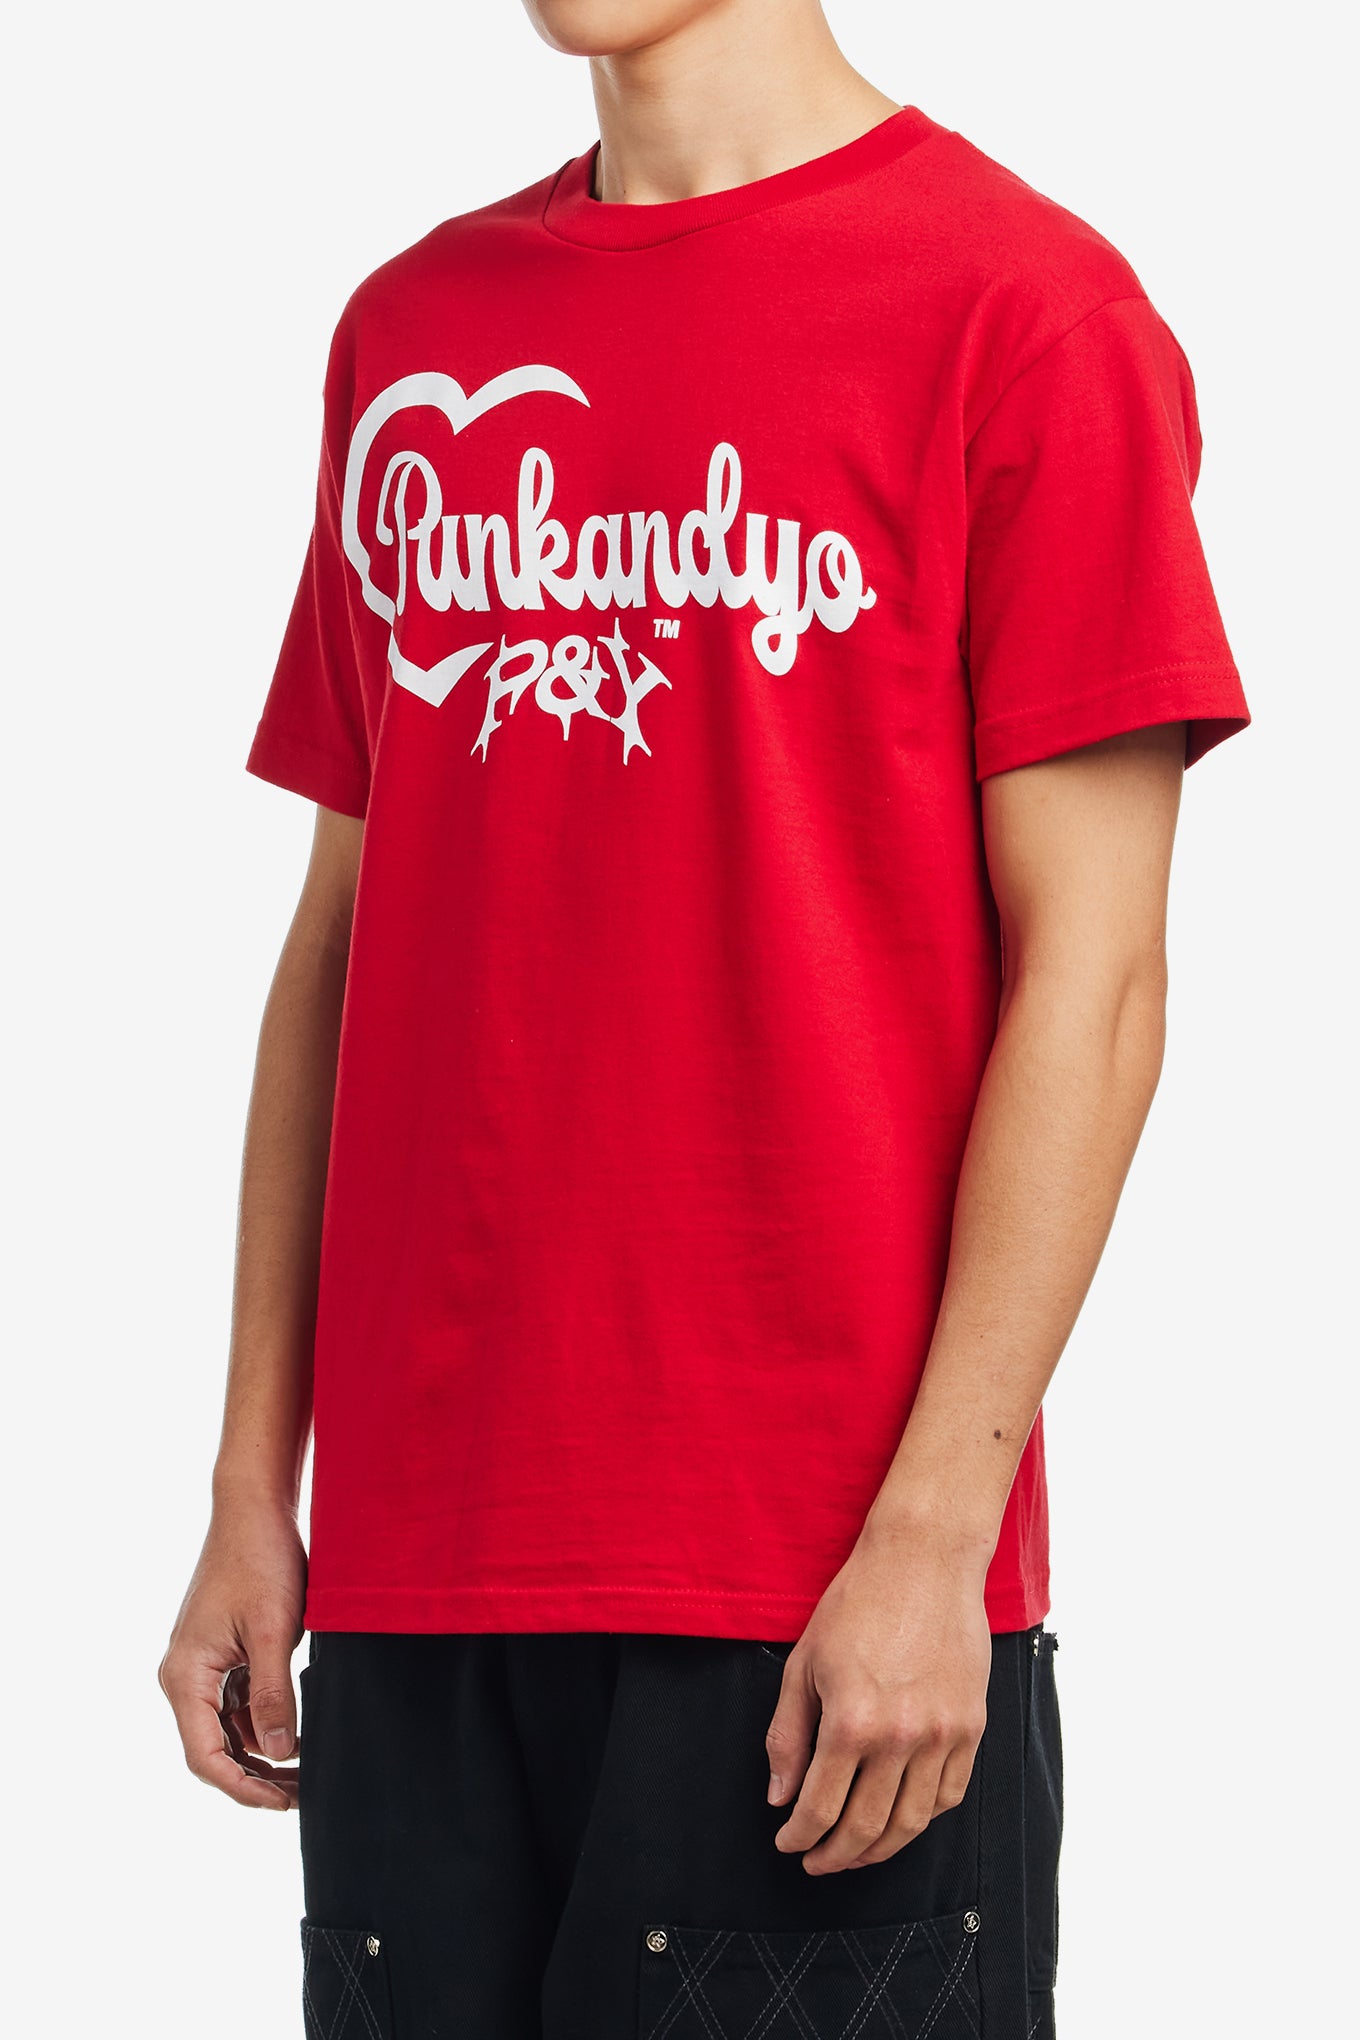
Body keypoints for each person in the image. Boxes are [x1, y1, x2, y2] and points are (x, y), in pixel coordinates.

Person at [158, 2, 1250, 2034]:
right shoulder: (412, 329)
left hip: (819, 1595)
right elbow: (339, 943)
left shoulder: (1025, 312)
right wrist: (250, 1487)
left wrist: (934, 1536)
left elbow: (1095, 981)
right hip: (416, 1582)